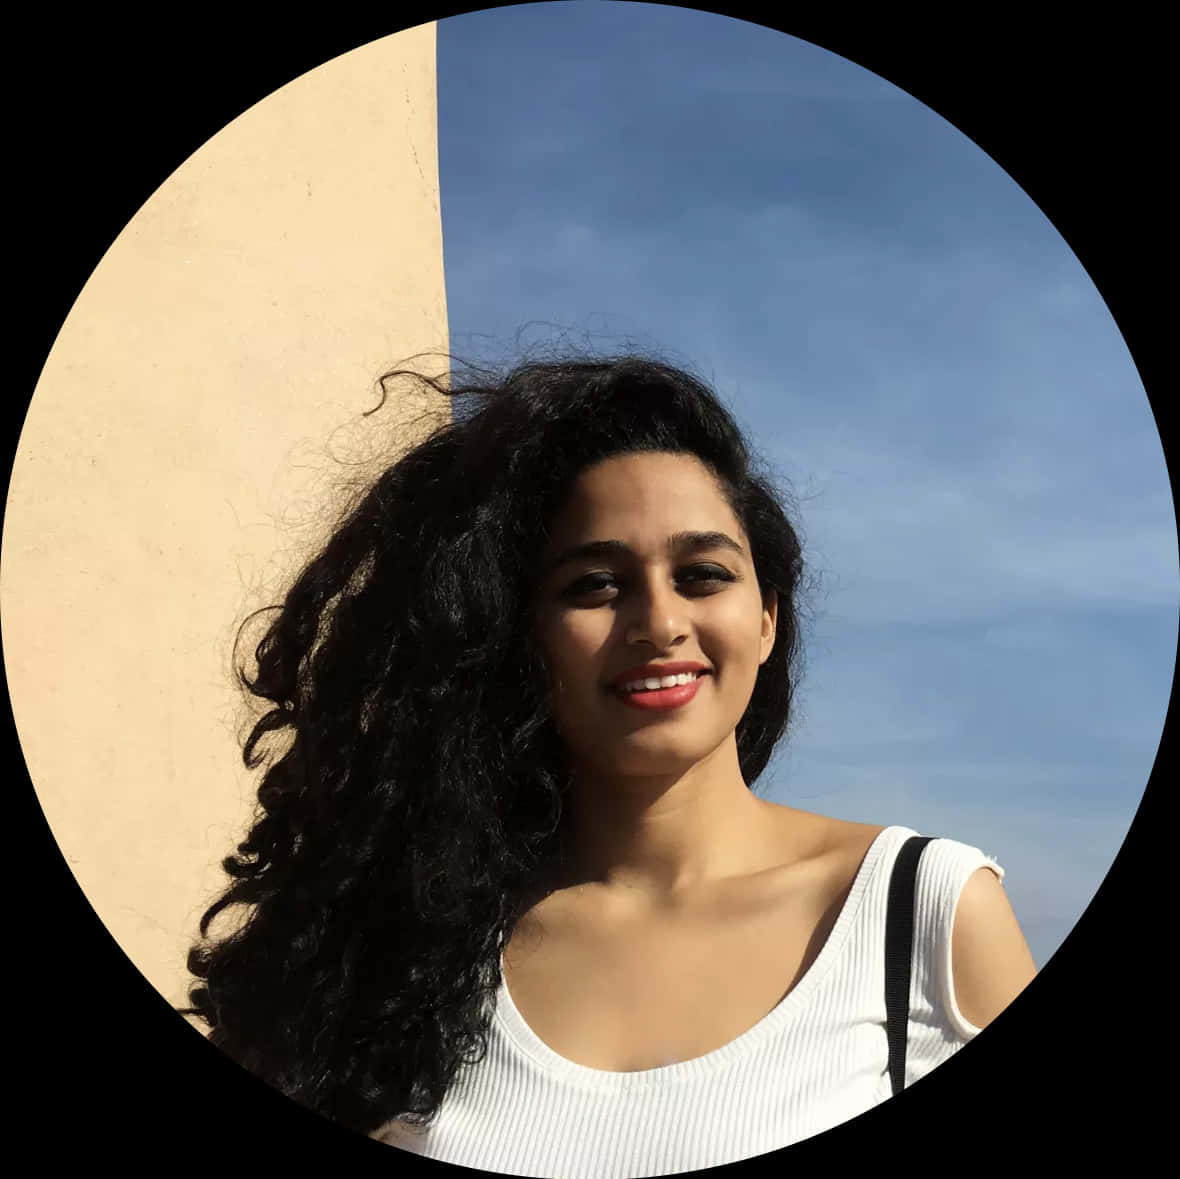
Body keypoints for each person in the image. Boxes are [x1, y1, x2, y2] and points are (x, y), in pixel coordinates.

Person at [176, 351, 1038, 1174]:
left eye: (703, 573)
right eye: (594, 584)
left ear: (767, 618)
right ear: (517, 634)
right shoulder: (412, 951)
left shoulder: (923, 913)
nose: (658, 621)